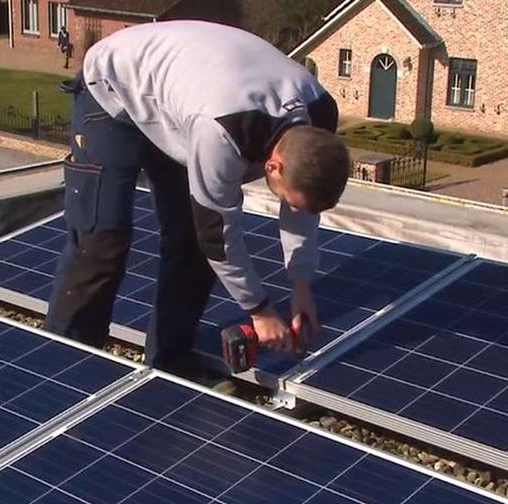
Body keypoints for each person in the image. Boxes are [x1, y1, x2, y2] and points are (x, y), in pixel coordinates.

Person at [44, 21, 349, 377]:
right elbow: (218, 235)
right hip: (115, 88)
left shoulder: (318, 118)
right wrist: (261, 310)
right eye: (290, 200)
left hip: (180, 99)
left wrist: (301, 285)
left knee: (189, 242)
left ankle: (167, 363)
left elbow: (303, 208)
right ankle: (66, 369)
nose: (293, 209)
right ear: (273, 165)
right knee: (101, 242)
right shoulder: (221, 132)